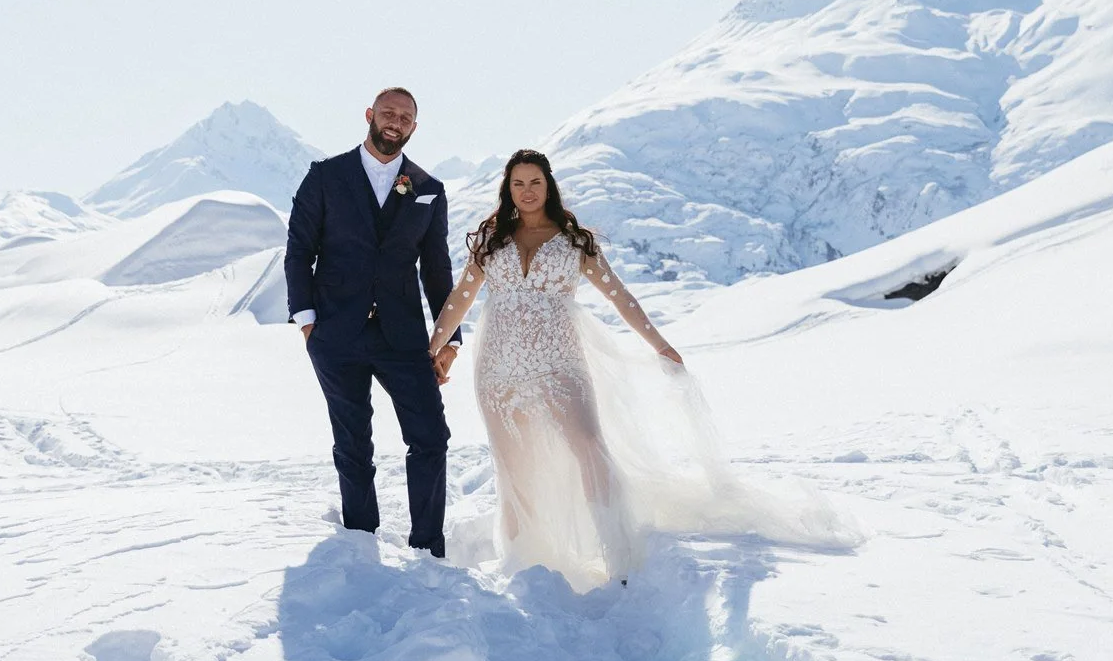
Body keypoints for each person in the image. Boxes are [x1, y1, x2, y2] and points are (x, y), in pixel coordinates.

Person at [426, 149, 859, 590]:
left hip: (559, 360)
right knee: (515, 466)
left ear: (549, 185)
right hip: (499, 366)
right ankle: (524, 564)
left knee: (589, 445)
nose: (527, 191)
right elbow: (462, 296)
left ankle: (619, 556)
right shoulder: (491, 240)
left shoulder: (575, 241)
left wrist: (660, 345)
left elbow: (620, 297)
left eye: (534, 182)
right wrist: (434, 345)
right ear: (507, 188)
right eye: (518, 183)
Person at [284, 87, 459, 558]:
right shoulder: (325, 177)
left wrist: (449, 340)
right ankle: (361, 543)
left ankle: (428, 548)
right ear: (369, 115)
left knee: (431, 438)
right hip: (336, 334)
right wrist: (307, 323)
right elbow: (300, 250)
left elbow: (437, 270)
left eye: (405, 117)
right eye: (387, 112)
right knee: (352, 441)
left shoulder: (428, 189)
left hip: (403, 339)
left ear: (414, 127)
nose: (395, 121)